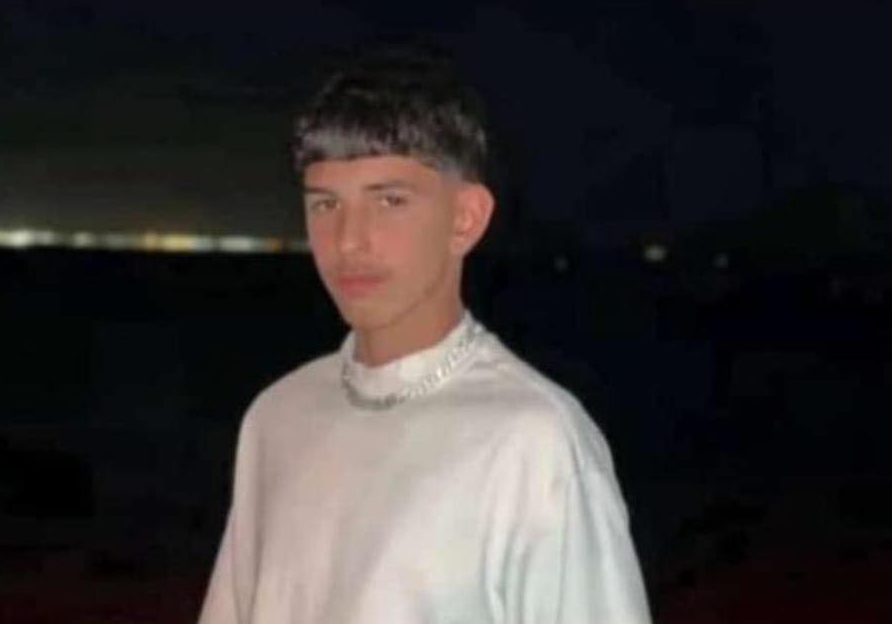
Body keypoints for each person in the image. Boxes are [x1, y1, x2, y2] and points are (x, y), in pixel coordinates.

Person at [198, 48, 652, 624]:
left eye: (390, 201)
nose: (349, 240)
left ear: (465, 219)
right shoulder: (278, 416)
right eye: (326, 204)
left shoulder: (533, 442)